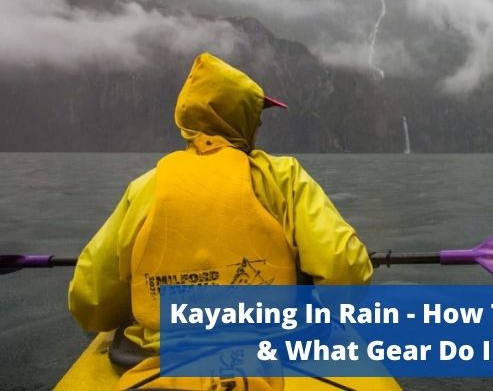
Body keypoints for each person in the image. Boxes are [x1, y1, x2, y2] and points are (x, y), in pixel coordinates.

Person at [67, 52, 374, 390]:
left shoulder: (145, 189)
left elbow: (89, 301)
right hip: (282, 348)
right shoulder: (284, 178)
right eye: (255, 116)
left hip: (162, 356)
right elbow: (344, 271)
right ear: (238, 118)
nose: (258, 125)